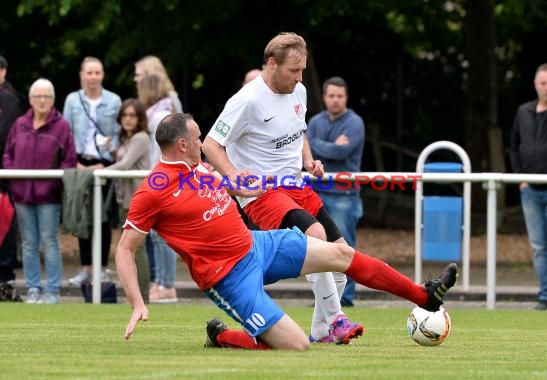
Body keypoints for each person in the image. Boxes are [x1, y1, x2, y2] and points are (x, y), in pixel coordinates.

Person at [115, 113, 458, 350]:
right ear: (183, 145)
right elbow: (125, 249)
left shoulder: (198, 167)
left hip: (258, 245)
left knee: (341, 253)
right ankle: (220, 337)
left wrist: (241, 182)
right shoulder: (154, 188)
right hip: (228, 276)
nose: (202, 140)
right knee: (296, 345)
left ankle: (425, 296)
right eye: (197, 136)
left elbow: (220, 191)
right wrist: (136, 301)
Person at [202, 32, 361, 343]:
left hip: (295, 185)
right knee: (316, 237)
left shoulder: (298, 90)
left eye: (302, 70)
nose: (299, 77)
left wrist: (309, 160)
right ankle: (338, 319)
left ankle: (320, 329)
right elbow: (210, 144)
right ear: (272, 64)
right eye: (293, 70)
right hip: (263, 193)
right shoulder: (246, 100)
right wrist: (235, 177)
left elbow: (297, 132)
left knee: (342, 258)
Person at [3, 78, 77, 304]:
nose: (42, 101)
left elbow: (69, 160)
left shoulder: (61, 125)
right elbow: (8, 154)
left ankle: (53, 290)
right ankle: (33, 288)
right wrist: (13, 175)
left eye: (47, 97)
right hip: (23, 194)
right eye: (38, 96)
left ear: (53, 100)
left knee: (49, 240)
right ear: (31, 100)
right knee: (28, 242)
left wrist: (54, 182)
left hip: (48, 196)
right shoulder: (20, 124)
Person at [510, 63, 547, 311]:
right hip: (530, 189)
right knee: (538, 247)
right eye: (542, 83)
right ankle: (545, 296)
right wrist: (520, 179)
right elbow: (514, 145)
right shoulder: (523, 111)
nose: (546, 88)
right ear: (535, 84)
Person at [306, 76, 365, 307]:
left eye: (340, 96)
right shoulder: (316, 121)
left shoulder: (355, 122)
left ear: (346, 97)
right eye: (331, 96)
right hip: (317, 193)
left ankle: (346, 298)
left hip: (344, 194)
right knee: (318, 246)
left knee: (344, 246)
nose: (335, 100)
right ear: (324, 97)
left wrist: (316, 144)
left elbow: (341, 153)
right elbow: (307, 150)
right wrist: (329, 145)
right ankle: (325, 298)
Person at [63, 56, 121, 286]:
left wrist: (107, 160)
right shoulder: (72, 100)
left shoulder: (114, 100)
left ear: (103, 74)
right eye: (89, 72)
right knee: (82, 218)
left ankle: (103, 269)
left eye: (97, 72)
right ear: (81, 75)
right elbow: (66, 134)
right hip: (79, 162)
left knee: (103, 219)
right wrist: (71, 161)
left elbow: (118, 134)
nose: (93, 77)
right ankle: (86, 269)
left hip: (104, 162)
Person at [137, 74, 178, 303]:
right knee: (156, 234)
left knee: (162, 235)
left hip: (162, 178)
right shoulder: (160, 113)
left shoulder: (159, 116)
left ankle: (166, 284)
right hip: (160, 176)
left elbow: (159, 152)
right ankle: (162, 282)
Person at [105, 98, 151, 302]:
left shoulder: (141, 138)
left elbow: (125, 165)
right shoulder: (128, 139)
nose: (128, 119)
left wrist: (98, 172)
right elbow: (124, 161)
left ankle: (142, 297)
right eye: (125, 115)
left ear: (140, 118)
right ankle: (137, 297)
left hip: (138, 200)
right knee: (130, 249)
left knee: (135, 249)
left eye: (132, 115)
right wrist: (111, 150)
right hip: (127, 200)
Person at [0, 56, 24, 301]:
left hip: (3, 173)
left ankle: (5, 279)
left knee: (4, 224)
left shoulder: (7, 98)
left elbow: (5, 137)